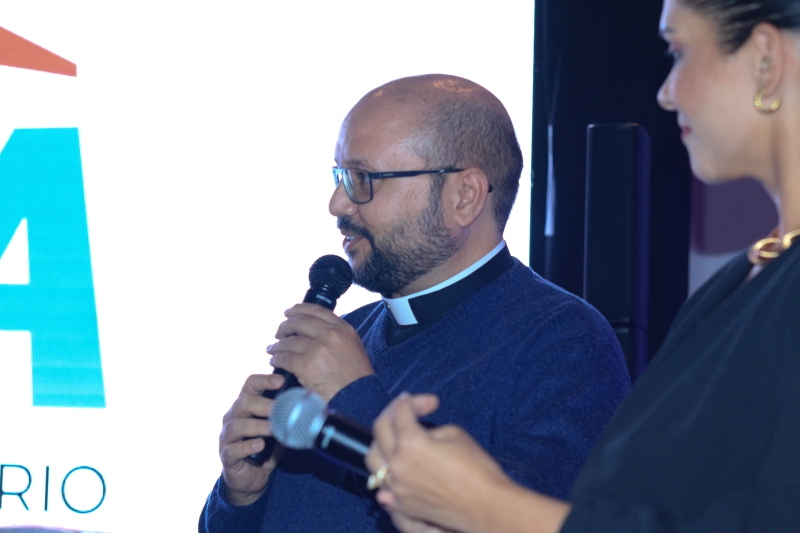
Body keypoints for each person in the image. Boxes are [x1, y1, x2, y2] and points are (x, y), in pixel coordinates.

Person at [365, 1, 800, 532]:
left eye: (678, 51)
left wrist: (487, 506)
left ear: (764, 59)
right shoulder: (737, 285)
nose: (666, 93)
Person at [198, 74, 632, 532]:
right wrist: (242, 498)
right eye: (339, 176)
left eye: (363, 178)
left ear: (464, 196)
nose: (337, 203)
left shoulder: (565, 341)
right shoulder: (348, 334)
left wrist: (353, 397)